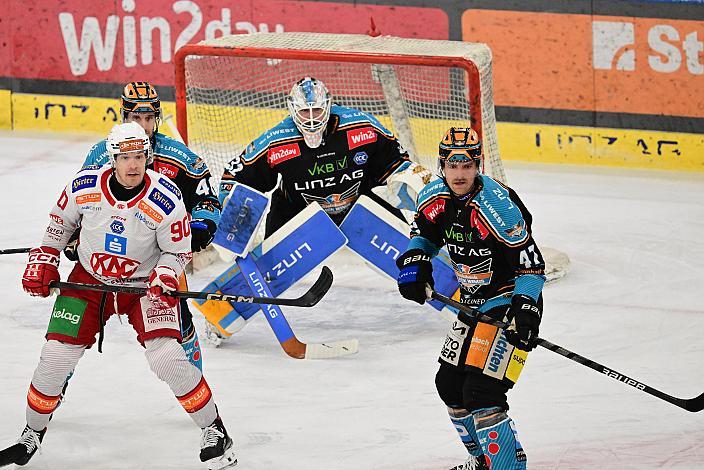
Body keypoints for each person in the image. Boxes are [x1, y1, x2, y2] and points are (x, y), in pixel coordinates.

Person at [0, 123, 236, 469]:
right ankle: (31, 434)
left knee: (167, 358)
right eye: (125, 157)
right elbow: (59, 225)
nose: (133, 164)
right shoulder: (84, 187)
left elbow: (177, 249)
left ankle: (215, 431)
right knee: (54, 357)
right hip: (89, 281)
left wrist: (166, 273)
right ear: (112, 159)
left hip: (142, 285)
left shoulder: (166, 196)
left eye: (139, 156)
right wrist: (46, 257)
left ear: (147, 157)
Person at [207, 76, 429, 342]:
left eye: (317, 110)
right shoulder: (277, 141)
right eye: (304, 111)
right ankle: (220, 315)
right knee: (269, 267)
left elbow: (398, 163)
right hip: (297, 209)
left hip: (358, 203)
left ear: (329, 106)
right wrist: (233, 227)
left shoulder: (361, 127)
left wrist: (417, 190)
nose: (311, 118)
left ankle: (454, 292)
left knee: (410, 250)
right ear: (292, 110)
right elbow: (234, 179)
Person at [395, 127, 545, 470]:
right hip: (473, 302)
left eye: (467, 166)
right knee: (448, 385)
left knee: (482, 392)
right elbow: (424, 236)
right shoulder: (432, 197)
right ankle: (482, 461)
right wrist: (416, 263)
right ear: (442, 165)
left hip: (508, 300)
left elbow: (532, 267)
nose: (459, 174)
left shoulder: (499, 208)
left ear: (478, 165)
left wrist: (526, 311)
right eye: (452, 165)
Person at [66, 81, 221, 370]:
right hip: (108, 259)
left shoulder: (179, 156)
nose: (144, 125)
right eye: (136, 118)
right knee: (71, 333)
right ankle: (57, 378)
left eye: (149, 118)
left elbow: (208, 199)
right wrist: (74, 237)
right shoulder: (102, 155)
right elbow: (80, 201)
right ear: (124, 117)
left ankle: (194, 380)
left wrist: (200, 227)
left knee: (180, 321)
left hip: (159, 260)